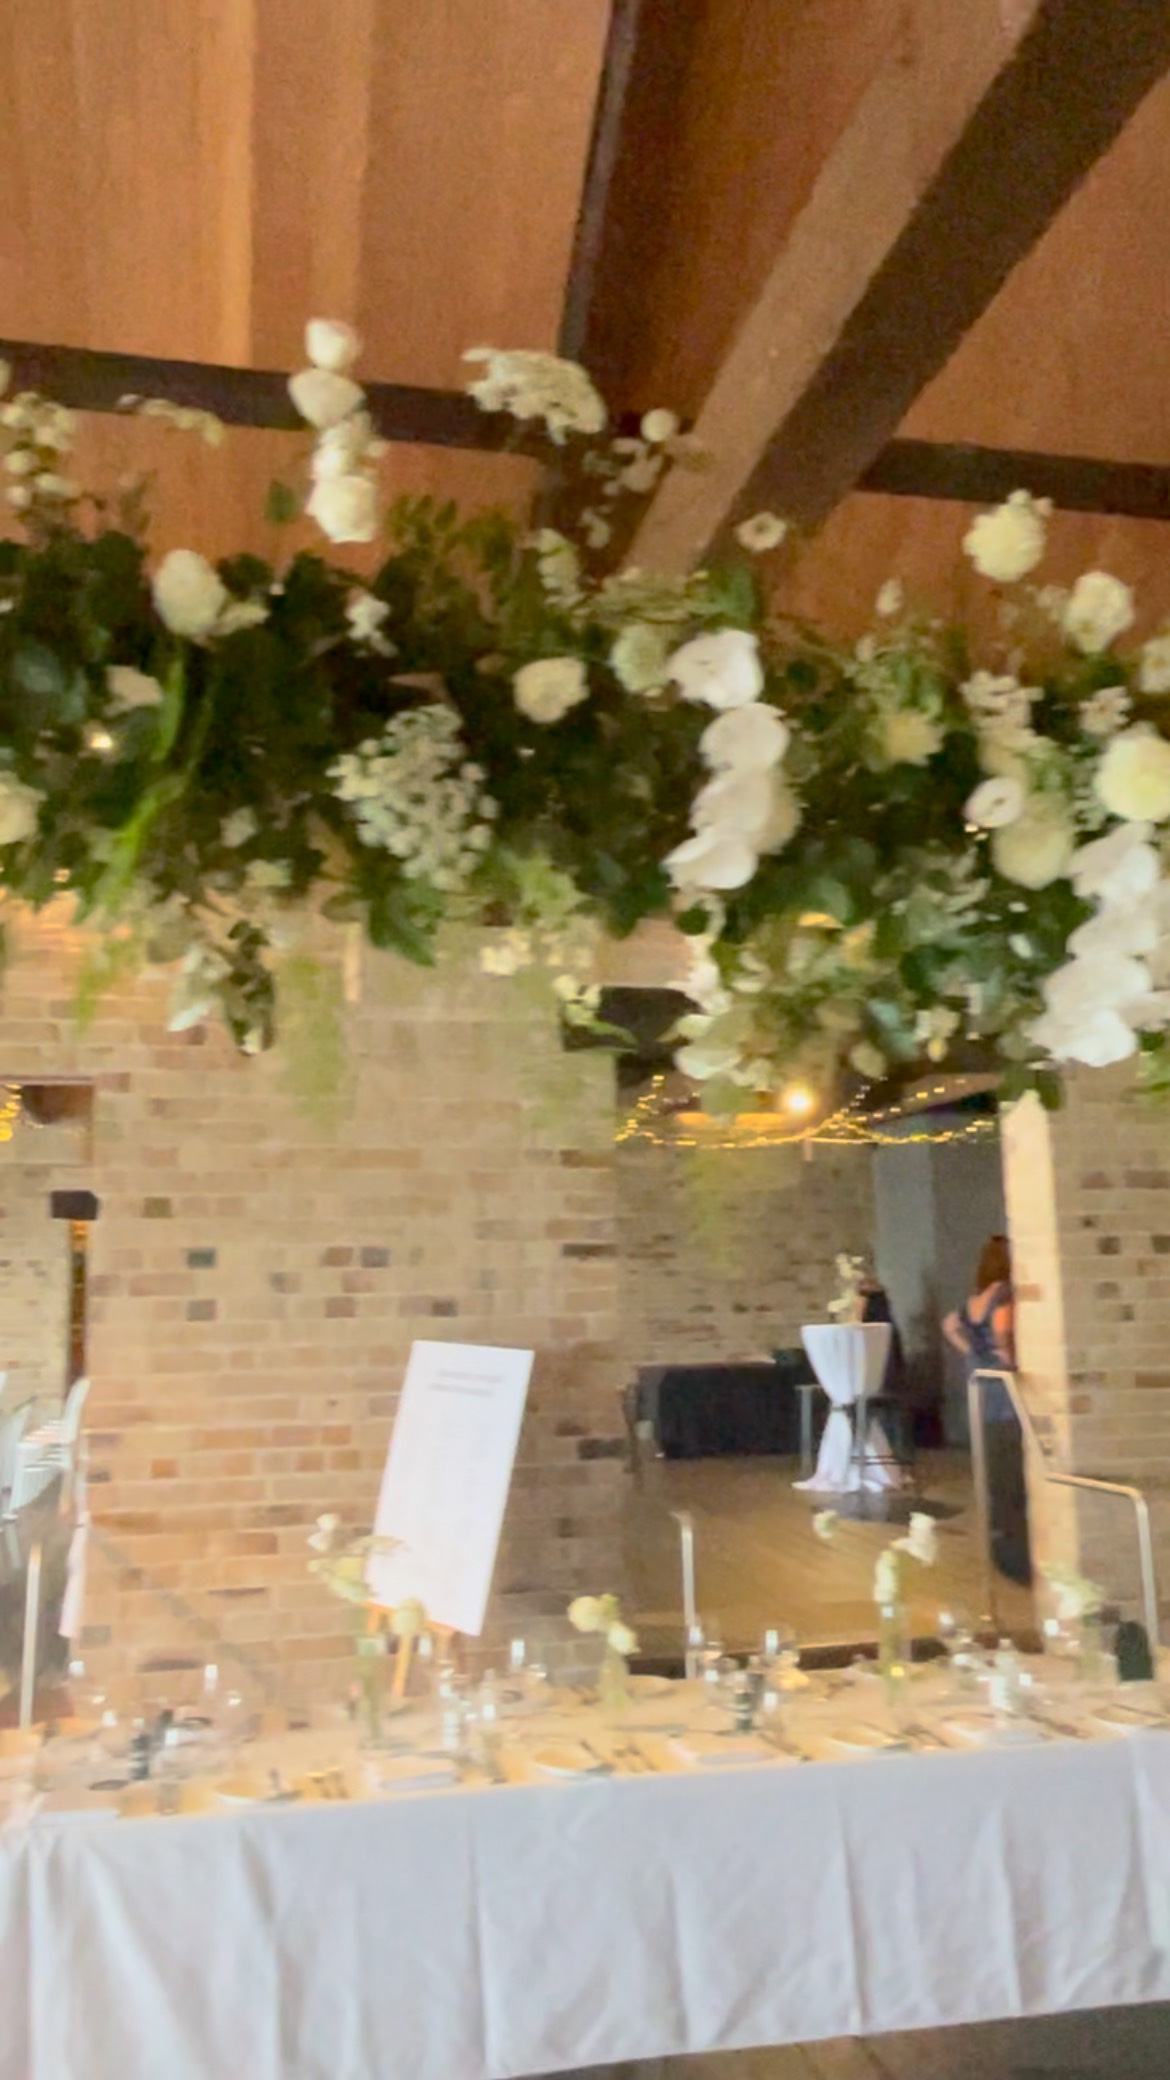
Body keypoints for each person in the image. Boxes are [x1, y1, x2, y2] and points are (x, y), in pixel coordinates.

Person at [943, 1234, 1031, 1584]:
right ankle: (1017, 1555)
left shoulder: (974, 1301)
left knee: (995, 1468)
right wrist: (1008, 1357)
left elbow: (950, 1324)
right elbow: (1002, 1329)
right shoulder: (1003, 1294)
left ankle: (1000, 1547)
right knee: (1012, 1467)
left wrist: (971, 1352)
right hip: (1004, 1389)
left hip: (981, 1388)